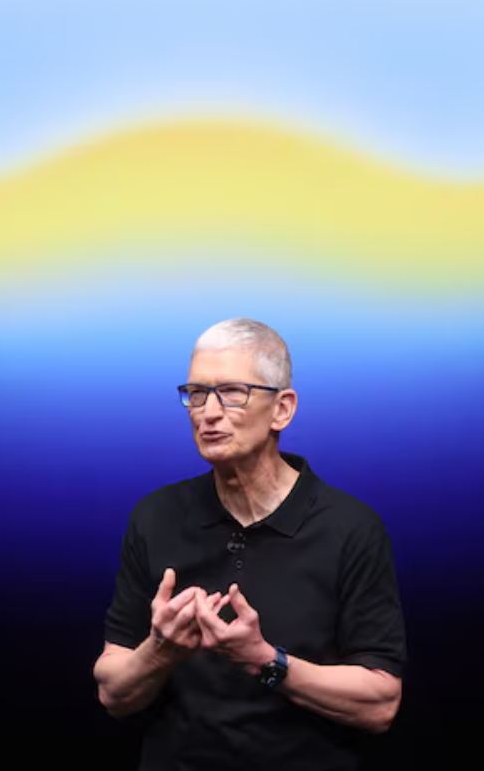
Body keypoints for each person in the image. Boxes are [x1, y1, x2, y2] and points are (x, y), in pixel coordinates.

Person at [94, 319, 406, 770]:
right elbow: (112, 693)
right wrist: (160, 649)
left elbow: (380, 705)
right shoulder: (154, 516)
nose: (208, 412)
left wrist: (263, 660)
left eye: (231, 392)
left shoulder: (351, 527)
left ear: (282, 409)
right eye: (196, 394)